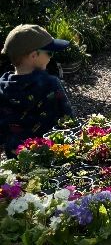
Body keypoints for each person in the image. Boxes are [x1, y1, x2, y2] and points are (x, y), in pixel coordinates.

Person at [0, 24, 74, 156]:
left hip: (16, 158)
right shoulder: (50, 84)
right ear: (34, 55)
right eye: (49, 53)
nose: (51, 57)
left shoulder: (2, 87)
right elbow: (69, 119)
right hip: (50, 155)